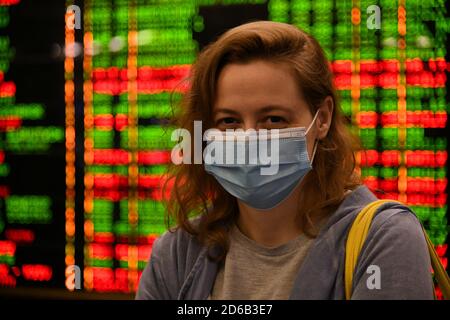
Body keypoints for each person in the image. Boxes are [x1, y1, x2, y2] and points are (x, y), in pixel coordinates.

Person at [136, 21, 434, 300]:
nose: (249, 137)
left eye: (273, 119)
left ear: (323, 118)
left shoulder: (383, 240)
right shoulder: (176, 254)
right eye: (229, 121)